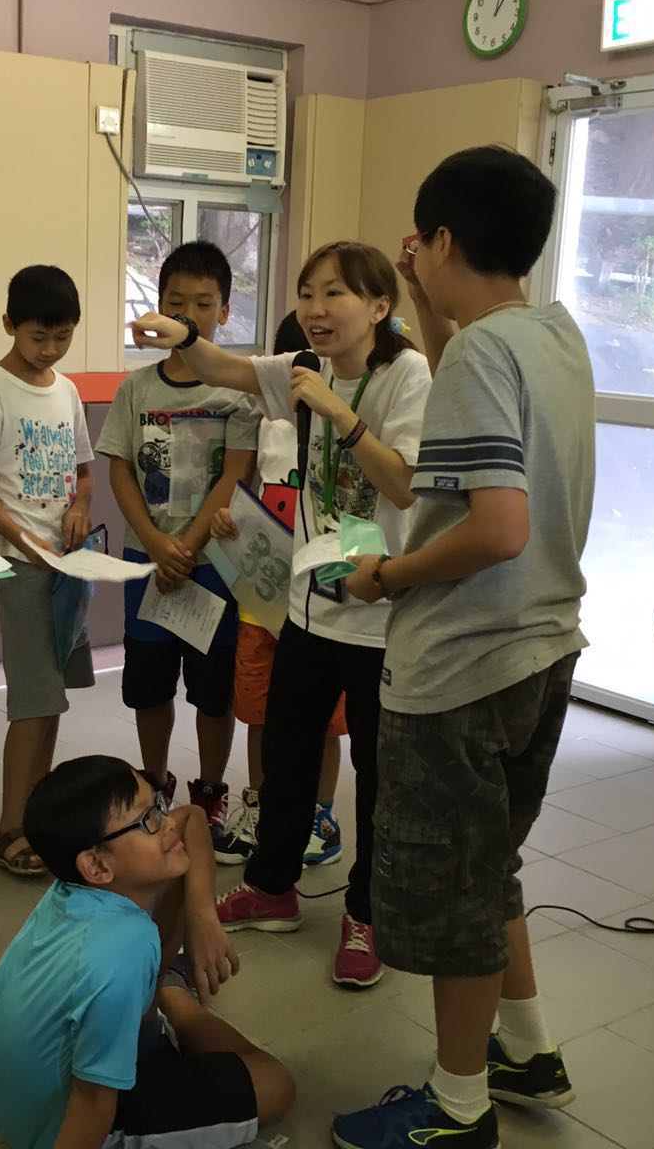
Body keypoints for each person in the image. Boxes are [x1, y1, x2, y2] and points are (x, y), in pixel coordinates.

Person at [330, 146, 595, 1148]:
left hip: (463, 665)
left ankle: (456, 1105)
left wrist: (388, 576)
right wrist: (425, 306)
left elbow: (496, 529)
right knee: (488, 868)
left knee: (451, 896)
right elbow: (469, 391)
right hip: (542, 648)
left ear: (440, 238)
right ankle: (525, 1050)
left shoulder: (484, 354)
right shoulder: (550, 333)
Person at [131, 241, 433, 989]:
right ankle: (272, 887)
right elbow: (225, 369)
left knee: (380, 774)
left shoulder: (407, 374)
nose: (316, 309)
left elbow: (404, 485)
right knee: (287, 760)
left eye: (334, 293)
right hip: (309, 604)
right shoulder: (302, 364)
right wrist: (186, 335)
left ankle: (367, 913)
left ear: (380, 306)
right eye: (306, 293)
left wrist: (342, 417)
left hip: (379, 616)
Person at [0, 755, 294, 1149]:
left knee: (175, 863)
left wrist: (203, 918)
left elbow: (191, 819)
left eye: (159, 804)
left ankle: (162, 1003)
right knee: (275, 1084)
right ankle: (175, 998)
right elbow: (92, 1099)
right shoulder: (123, 948)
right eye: (148, 820)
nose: (166, 823)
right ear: (96, 864)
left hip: (5, 1078)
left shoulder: (75, 885)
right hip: (58, 1125)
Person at [97, 240, 258, 840]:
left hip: (214, 567)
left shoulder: (237, 390)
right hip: (147, 564)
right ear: (159, 304)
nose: (188, 313)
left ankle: (210, 793)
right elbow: (119, 469)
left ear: (225, 310)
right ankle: (154, 784)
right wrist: (153, 542)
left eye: (203, 303)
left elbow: (235, 474)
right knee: (149, 686)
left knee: (213, 693)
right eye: (176, 301)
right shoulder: (136, 388)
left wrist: (185, 547)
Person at [0, 265, 96, 876]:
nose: (50, 349)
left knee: (52, 699)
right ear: (9, 325)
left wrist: (80, 507)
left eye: (62, 337)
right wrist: (26, 541)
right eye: (39, 336)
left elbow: (84, 472)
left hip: (66, 566)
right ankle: (9, 827)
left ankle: (35, 815)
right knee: (31, 700)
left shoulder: (66, 391)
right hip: (20, 566)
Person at [212, 311, 347, 868]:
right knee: (258, 708)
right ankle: (260, 807)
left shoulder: (345, 429)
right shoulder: (268, 425)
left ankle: (320, 815)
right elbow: (248, 496)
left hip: (324, 599)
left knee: (326, 717)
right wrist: (229, 519)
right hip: (262, 598)